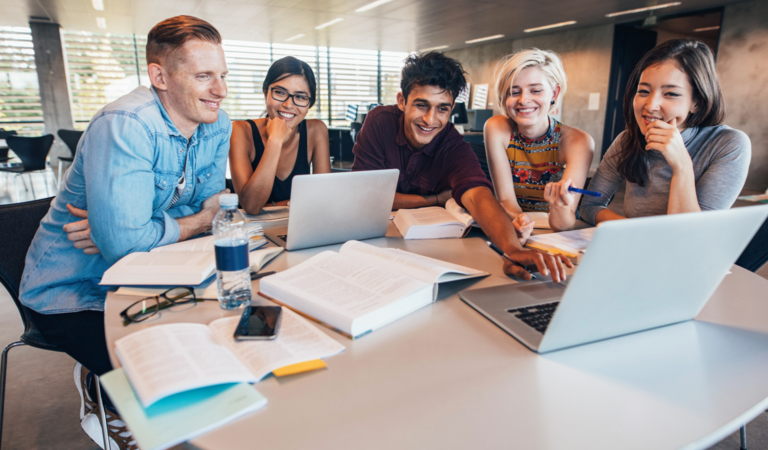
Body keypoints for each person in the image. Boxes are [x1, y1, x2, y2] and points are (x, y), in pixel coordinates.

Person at [19, 16, 231, 449]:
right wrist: (151, 229)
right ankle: (109, 397)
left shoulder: (217, 123)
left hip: (150, 273)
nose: (220, 90)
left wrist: (135, 230)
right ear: (160, 76)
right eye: (204, 76)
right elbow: (199, 218)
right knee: (170, 374)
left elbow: (213, 211)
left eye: (223, 75)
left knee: (218, 341)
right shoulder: (126, 124)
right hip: (72, 290)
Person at [351, 51, 570, 281]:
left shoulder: (451, 143)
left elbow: (478, 195)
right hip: (374, 243)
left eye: (442, 108)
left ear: (452, 108)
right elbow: (366, 196)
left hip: (426, 250)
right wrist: (435, 199)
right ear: (402, 101)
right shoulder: (379, 122)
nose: (430, 119)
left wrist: (512, 250)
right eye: (421, 105)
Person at [580, 39, 751, 225]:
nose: (651, 105)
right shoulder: (627, 140)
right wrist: (631, 232)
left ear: (697, 102)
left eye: (670, 94)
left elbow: (692, 233)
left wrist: (681, 165)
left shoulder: (729, 144)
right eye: (644, 91)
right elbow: (590, 206)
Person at [484, 48, 594, 239]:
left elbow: (563, 223)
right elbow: (506, 200)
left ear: (554, 93)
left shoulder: (579, 142)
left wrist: (558, 206)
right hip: (515, 228)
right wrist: (521, 221)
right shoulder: (496, 128)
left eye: (535, 90)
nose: (524, 100)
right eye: (514, 91)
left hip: (558, 236)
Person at [229, 56, 330, 214]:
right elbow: (251, 206)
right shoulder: (240, 130)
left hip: (301, 226)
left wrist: (270, 206)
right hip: (256, 232)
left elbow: (324, 199)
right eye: (280, 92)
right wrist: (275, 140)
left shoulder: (316, 130)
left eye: (301, 97)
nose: (288, 105)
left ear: (309, 103)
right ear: (265, 92)